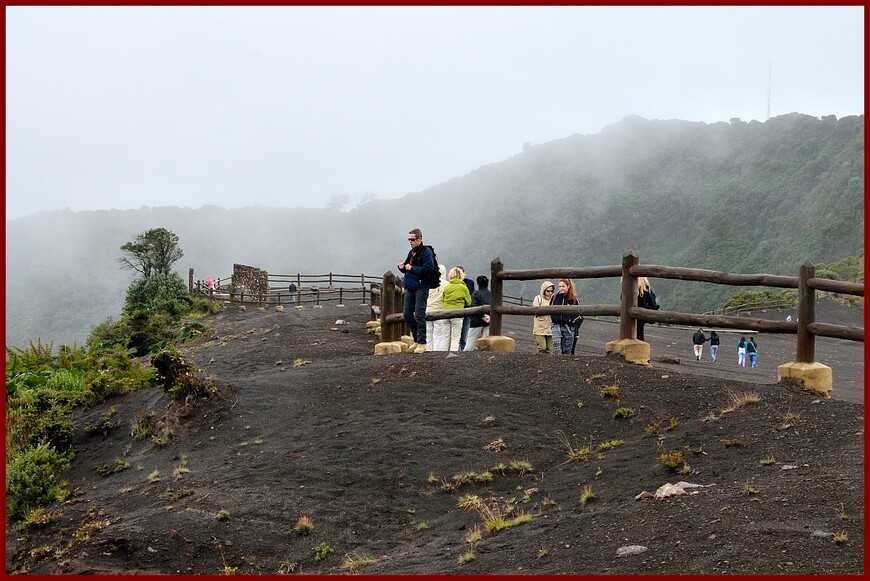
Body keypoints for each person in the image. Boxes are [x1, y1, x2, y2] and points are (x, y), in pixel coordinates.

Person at [398, 228, 435, 354]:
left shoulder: (426, 252)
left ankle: (422, 343)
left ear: (419, 239)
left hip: (421, 287)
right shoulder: (411, 252)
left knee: (420, 315)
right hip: (410, 286)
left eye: (412, 239)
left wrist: (411, 268)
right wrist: (403, 268)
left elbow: (429, 269)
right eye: (409, 239)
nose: (410, 241)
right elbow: (409, 268)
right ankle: (416, 339)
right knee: (407, 315)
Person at [442, 266, 472, 352]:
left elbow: (443, 299)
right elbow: (468, 302)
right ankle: (452, 356)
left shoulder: (447, 287)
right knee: (455, 338)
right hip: (457, 314)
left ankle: (442, 355)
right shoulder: (463, 287)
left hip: (444, 314)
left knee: (445, 336)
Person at [550, 279, 580, 355]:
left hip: (568, 327)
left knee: (567, 350)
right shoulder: (555, 297)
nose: (561, 288)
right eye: (559, 286)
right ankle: (556, 363)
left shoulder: (574, 299)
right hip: (556, 325)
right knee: (556, 345)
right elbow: (549, 308)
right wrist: (553, 318)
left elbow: (579, 314)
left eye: (563, 286)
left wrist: (571, 321)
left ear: (568, 286)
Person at [464, 275, 491, 351]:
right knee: (485, 342)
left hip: (476, 322)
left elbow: (474, 307)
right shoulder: (491, 294)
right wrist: (488, 316)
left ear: (478, 283)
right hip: (488, 321)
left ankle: (465, 356)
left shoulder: (476, 294)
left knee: (471, 341)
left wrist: (483, 316)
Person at [425, 265, 449, 351]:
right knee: (438, 335)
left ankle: (428, 351)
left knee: (428, 334)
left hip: (427, 311)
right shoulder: (446, 285)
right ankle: (436, 353)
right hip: (439, 312)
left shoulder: (427, 283)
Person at [456, 266, 476, 352]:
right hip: (456, 311)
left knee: (464, 333)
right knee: (456, 334)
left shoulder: (470, 282)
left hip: (466, 311)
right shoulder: (453, 283)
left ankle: (463, 350)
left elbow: (470, 296)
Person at [532, 281, 555, 354]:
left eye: (552, 291)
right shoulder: (538, 298)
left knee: (549, 349)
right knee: (542, 347)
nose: (550, 293)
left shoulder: (553, 300)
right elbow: (535, 310)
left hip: (550, 328)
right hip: (540, 327)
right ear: (543, 290)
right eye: (548, 291)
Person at [635, 276, 658, 341]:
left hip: (637, 314)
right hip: (644, 312)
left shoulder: (634, 289)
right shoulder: (646, 288)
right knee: (639, 331)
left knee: (637, 329)